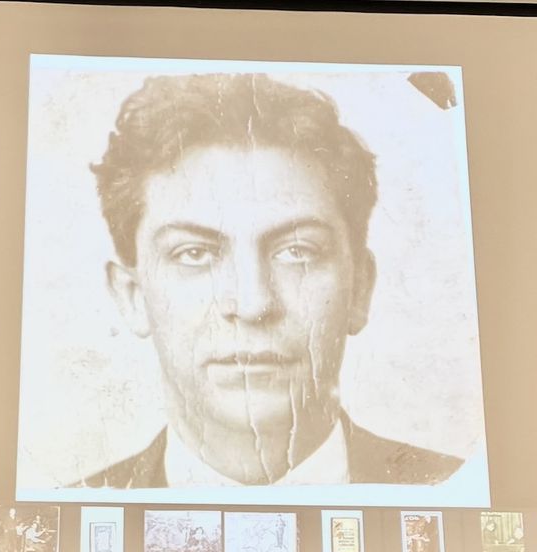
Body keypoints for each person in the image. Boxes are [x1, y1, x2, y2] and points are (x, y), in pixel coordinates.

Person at [82, 72, 465, 489]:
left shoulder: (457, 487)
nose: (253, 304)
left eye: (297, 251)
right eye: (194, 254)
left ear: (359, 288)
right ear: (133, 296)